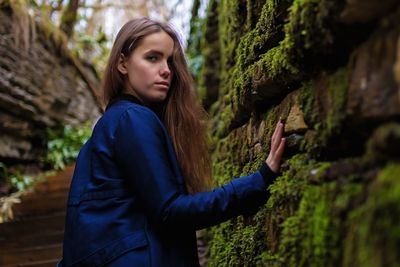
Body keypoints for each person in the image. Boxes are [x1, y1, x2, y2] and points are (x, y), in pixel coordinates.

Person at [58, 17, 286, 267]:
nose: (166, 70)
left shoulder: (112, 124)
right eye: (152, 58)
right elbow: (171, 211)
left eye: (169, 60)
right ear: (122, 63)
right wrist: (258, 180)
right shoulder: (132, 119)